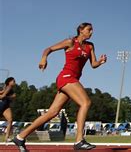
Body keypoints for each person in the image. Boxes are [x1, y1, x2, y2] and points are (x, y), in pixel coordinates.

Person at [13, 23, 107, 151]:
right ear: (81, 30)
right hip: (66, 77)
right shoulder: (70, 42)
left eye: (92, 30)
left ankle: (20, 136)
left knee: (52, 112)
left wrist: (100, 62)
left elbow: (93, 64)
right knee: (86, 102)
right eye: (89, 30)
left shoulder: (90, 46)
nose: (91, 32)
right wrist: (43, 58)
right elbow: (48, 49)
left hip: (72, 80)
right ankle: (79, 140)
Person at [0, 77, 16, 143]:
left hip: (6, 106)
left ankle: (7, 137)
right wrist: (11, 96)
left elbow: (2, 93)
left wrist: (11, 96)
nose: (14, 82)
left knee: (10, 120)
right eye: (13, 81)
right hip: (2, 104)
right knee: (10, 120)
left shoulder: (9, 88)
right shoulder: (8, 87)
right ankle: (7, 137)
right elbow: (2, 96)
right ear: (9, 82)